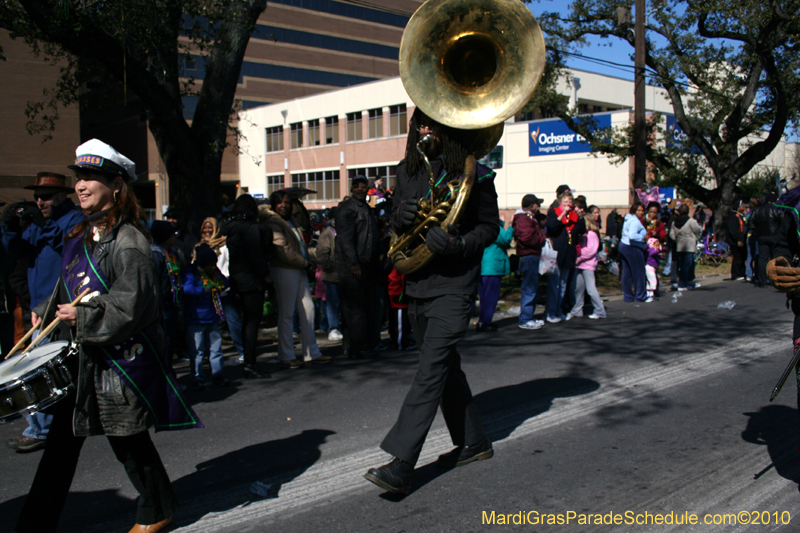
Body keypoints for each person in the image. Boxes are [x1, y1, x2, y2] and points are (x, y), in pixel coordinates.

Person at [13, 139, 202, 533]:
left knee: (128, 441)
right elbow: (69, 288)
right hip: (83, 360)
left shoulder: (130, 242)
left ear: (116, 186)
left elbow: (131, 306)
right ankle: (34, 523)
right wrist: (45, 313)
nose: (81, 185)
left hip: (120, 362)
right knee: (61, 449)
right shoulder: (82, 237)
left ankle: (158, 510)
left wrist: (80, 318)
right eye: (80, 177)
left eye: (92, 178)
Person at [364, 108, 497, 495]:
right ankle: (474, 443)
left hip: (455, 285)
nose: (426, 129)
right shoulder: (405, 171)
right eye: (420, 122)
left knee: (430, 370)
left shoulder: (478, 173)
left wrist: (458, 244)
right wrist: (398, 218)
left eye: (433, 123)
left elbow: (490, 228)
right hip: (417, 283)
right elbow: (395, 231)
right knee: (445, 369)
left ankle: (402, 463)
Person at [2, 172, 85, 453]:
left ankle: (42, 428)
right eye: (37, 197)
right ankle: (46, 425)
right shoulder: (41, 223)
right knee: (40, 364)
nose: (40, 201)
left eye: (46, 196)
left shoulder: (72, 219)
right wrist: (11, 227)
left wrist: (42, 224)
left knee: (42, 366)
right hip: (39, 305)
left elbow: (70, 248)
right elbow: (16, 251)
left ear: (63, 195)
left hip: (60, 304)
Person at [261, 191, 330, 368]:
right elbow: (282, 250)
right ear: (274, 205)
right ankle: (286, 354)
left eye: (286, 202)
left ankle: (311, 352)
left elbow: (301, 245)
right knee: (286, 314)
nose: (284, 205)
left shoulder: (292, 221)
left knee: (308, 309)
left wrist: (310, 260)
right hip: (284, 269)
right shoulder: (272, 222)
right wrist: (305, 263)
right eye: (280, 202)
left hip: (298, 268)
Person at [220, 194, 273, 378]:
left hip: (237, 279)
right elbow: (256, 255)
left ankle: (247, 359)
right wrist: (265, 275)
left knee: (244, 322)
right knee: (252, 322)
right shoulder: (251, 229)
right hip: (251, 280)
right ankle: (250, 363)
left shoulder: (232, 228)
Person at [335, 176, 383, 358]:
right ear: (352, 188)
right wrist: (353, 263)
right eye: (357, 186)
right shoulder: (347, 209)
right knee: (354, 309)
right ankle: (357, 345)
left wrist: (377, 252)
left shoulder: (367, 209)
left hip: (366, 264)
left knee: (361, 307)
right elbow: (346, 239)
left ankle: (353, 346)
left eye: (364, 186)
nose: (361, 189)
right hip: (352, 265)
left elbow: (373, 235)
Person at [196, 217, 245, 362]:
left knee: (233, 322)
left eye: (210, 227)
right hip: (206, 293)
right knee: (209, 327)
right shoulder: (199, 246)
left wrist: (223, 281)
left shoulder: (223, 245)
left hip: (223, 291)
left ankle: (243, 351)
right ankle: (206, 354)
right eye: (205, 227)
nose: (207, 230)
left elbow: (228, 265)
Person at [182, 243, 230, 389]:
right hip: (196, 318)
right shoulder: (192, 273)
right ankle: (197, 376)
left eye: (214, 264)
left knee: (216, 348)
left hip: (213, 316)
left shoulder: (215, 273)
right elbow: (186, 288)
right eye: (209, 265)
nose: (212, 267)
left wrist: (219, 285)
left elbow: (225, 282)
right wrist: (203, 290)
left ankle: (218, 373)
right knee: (197, 350)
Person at [545, 190, 585, 322]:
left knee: (563, 285)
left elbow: (580, 231)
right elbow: (552, 227)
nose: (569, 204)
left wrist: (579, 218)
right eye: (566, 202)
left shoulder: (573, 215)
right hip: (557, 253)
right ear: (561, 203)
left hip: (569, 254)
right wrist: (563, 213)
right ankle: (550, 312)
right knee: (554, 285)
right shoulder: (554, 212)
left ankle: (558, 310)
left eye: (570, 201)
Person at [512, 193, 546, 330]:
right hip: (529, 256)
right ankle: (525, 319)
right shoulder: (522, 219)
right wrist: (542, 239)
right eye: (537, 204)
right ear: (531, 206)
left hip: (533, 256)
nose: (539, 206)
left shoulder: (529, 218)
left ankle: (529, 317)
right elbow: (526, 238)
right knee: (529, 289)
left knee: (533, 288)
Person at [567, 212, 606, 319]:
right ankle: (577, 310)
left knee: (591, 289)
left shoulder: (592, 234)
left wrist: (579, 258)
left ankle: (600, 310)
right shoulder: (583, 235)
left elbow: (591, 251)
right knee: (578, 289)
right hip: (580, 265)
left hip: (587, 265)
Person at [476, 217, 513, 332]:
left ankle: (482, 321)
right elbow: (505, 239)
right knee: (491, 296)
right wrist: (510, 226)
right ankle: (485, 322)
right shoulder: (495, 228)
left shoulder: (481, 227)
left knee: (484, 297)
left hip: (483, 266)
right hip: (493, 266)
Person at [315, 209, 342, 341]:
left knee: (340, 303)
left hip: (343, 275)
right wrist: (332, 268)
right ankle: (333, 328)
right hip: (332, 275)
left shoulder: (344, 230)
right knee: (332, 303)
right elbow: (321, 254)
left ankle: (338, 326)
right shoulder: (328, 233)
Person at [750, 192, 781, 288]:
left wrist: (757, 232)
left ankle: (762, 280)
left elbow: (751, 223)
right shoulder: (775, 209)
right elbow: (782, 220)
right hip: (774, 236)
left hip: (761, 237)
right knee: (776, 258)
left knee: (762, 259)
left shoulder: (756, 210)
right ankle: (776, 279)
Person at [670, 203, 703, 291]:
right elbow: (698, 230)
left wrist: (677, 239)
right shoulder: (691, 221)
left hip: (680, 246)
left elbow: (671, 234)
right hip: (689, 245)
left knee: (686, 264)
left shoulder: (674, 222)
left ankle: (689, 281)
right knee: (686, 265)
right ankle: (682, 284)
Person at [619, 203, 648, 302]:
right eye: (638, 210)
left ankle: (628, 296)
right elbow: (632, 235)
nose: (641, 212)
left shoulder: (628, 219)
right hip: (632, 247)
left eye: (642, 210)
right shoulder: (635, 221)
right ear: (634, 210)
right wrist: (643, 238)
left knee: (627, 273)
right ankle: (641, 296)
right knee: (639, 272)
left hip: (624, 245)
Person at [727, 200, 747, 281]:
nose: (744, 207)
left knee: (742, 257)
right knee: (737, 257)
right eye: (742, 205)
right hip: (735, 241)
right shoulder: (732, 217)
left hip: (742, 239)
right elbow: (733, 230)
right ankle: (736, 274)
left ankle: (742, 272)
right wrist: (738, 239)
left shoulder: (741, 216)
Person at [644, 237, 662, 302]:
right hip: (649, 267)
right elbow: (653, 253)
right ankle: (650, 294)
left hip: (652, 267)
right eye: (656, 245)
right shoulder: (651, 250)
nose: (658, 247)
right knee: (653, 280)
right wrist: (657, 250)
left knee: (650, 281)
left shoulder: (652, 251)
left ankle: (650, 294)